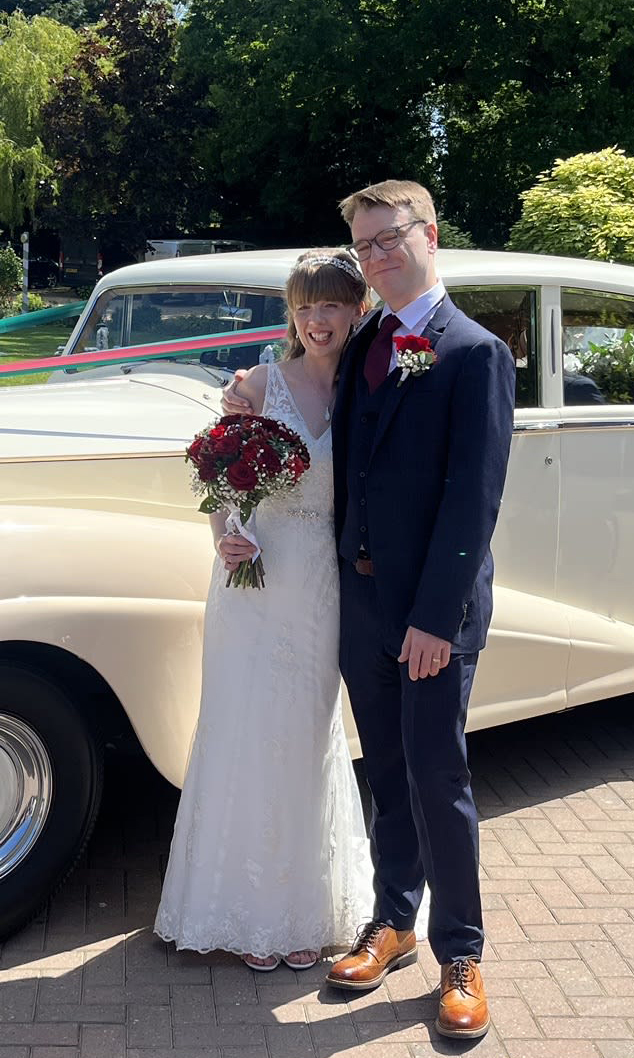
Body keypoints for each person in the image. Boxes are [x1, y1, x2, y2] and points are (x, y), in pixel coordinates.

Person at [221, 180, 515, 1040]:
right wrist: (250, 390)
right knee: (384, 771)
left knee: (438, 778)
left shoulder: (473, 353)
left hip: (430, 615)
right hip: (361, 604)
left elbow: (473, 501)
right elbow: (307, 398)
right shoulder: (365, 340)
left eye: (392, 239)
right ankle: (394, 923)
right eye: (365, 244)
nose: (379, 255)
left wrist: (435, 617)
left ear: (430, 237)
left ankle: (461, 954)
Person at [154, 250, 374, 973]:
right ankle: (232, 908)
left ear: (356, 311)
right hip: (250, 584)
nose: (317, 320)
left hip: (319, 586)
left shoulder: (371, 391)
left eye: (332, 305)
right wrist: (225, 538)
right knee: (240, 729)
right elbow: (219, 480)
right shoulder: (254, 384)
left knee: (305, 735)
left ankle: (301, 909)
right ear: (292, 314)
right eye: (305, 307)